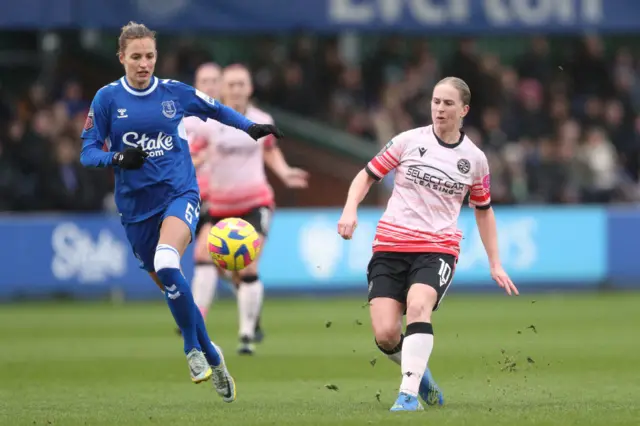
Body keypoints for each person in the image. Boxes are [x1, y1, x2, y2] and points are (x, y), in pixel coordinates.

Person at [79, 22, 283, 402]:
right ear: (121, 57)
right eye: (136, 57)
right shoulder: (107, 100)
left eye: (150, 56)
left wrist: (250, 127)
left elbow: (216, 109)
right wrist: (117, 157)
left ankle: (191, 349)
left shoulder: (173, 92)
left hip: (179, 195)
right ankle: (213, 355)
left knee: (169, 263)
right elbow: (87, 152)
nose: (144, 64)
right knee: (171, 287)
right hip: (136, 211)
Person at [337, 77, 519, 412]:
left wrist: (495, 262)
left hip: (437, 247)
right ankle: (420, 376)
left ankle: (407, 395)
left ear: (464, 110)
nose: (439, 109)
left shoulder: (474, 160)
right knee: (386, 334)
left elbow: (483, 210)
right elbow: (367, 175)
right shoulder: (407, 141)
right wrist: (350, 209)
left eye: (448, 103)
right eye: (436, 101)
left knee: (419, 306)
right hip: (390, 245)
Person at [185, 64, 308, 355]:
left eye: (242, 84)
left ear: (250, 88)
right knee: (204, 256)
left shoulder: (261, 119)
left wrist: (285, 172)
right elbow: (192, 156)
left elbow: (270, 150)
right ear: (222, 89)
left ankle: (246, 335)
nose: (237, 89)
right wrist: (194, 163)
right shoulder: (210, 123)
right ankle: (198, 321)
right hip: (220, 206)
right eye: (232, 84)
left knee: (248, 265)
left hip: (255, 203)